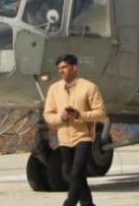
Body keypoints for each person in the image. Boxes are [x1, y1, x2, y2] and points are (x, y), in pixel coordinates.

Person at [43, 54, 107, 206]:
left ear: (74, 68)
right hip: (64, 138)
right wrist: (62, 117)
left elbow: (101, 112)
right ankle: (87, 203)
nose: (61, 71)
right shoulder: (54, 89)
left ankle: (69, 202)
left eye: (64, 67)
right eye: (59, 68)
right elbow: (48, 115)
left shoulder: (89, 87)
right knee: (75, 175)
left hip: (83, 136)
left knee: (77, 172)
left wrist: (80, 115)